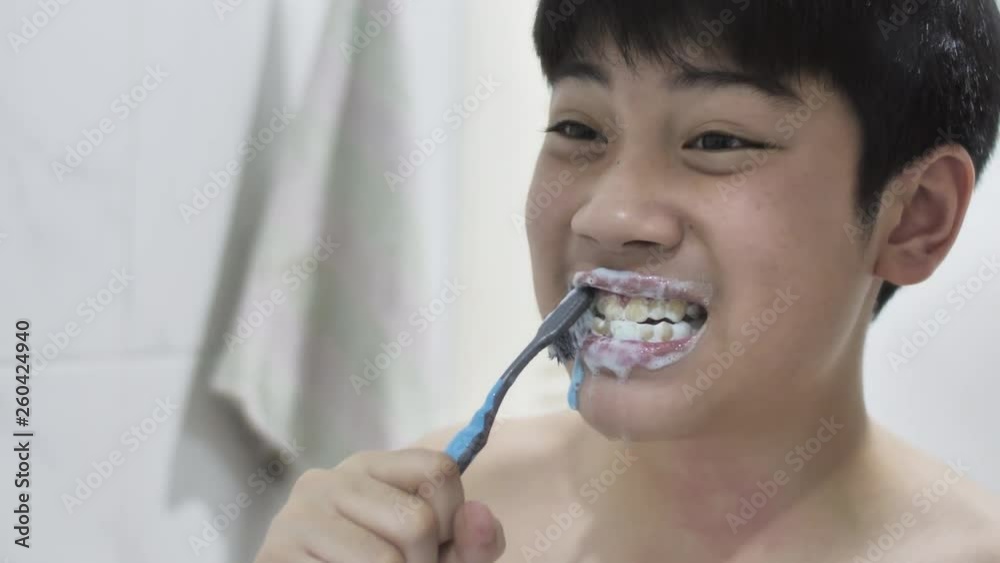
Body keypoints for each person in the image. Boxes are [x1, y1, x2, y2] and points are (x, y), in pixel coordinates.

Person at [253, 1, 1000, 561]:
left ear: (913, 218)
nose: (608, 215)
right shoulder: (427, 521)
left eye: (716, 140)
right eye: (579, 129)